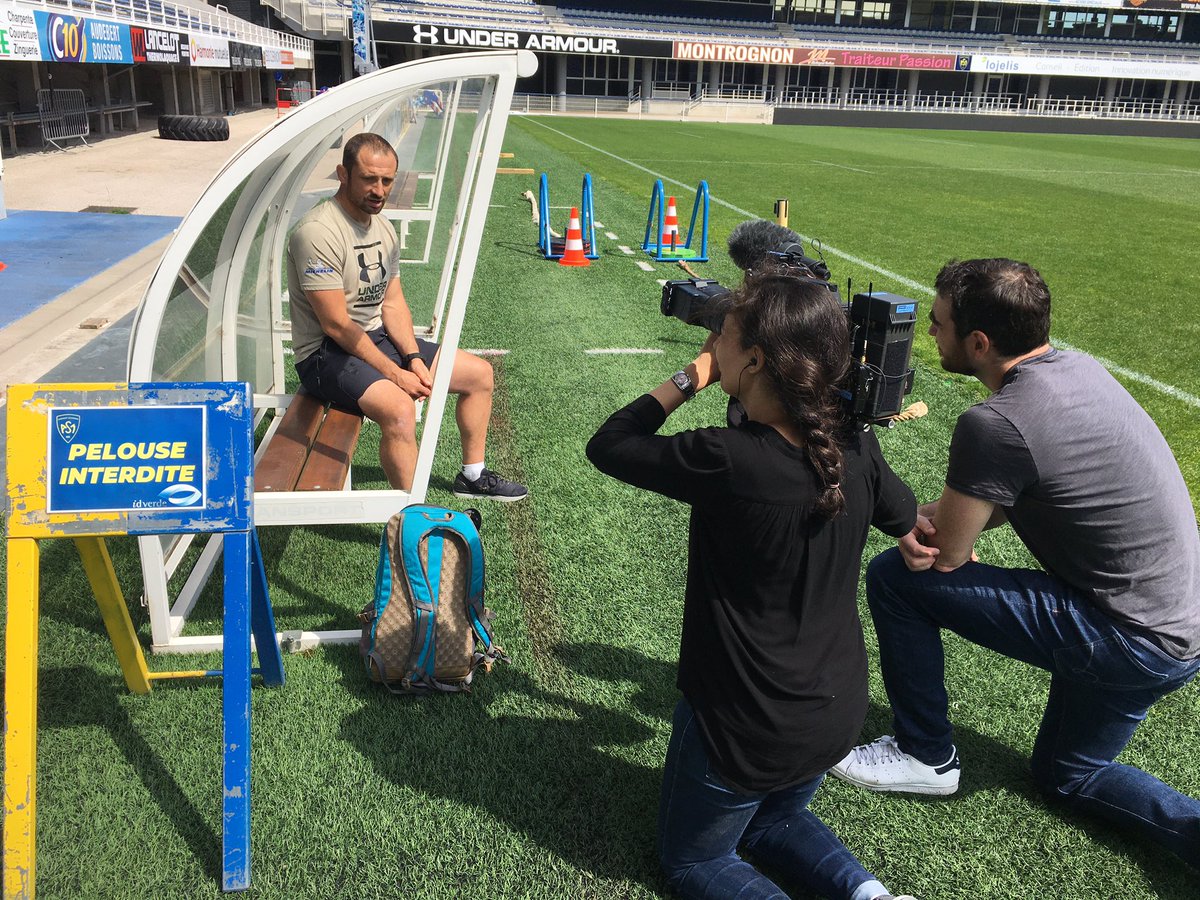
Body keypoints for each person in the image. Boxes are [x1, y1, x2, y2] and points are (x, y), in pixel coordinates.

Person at [833, 258, 1200, 867]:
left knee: (896, 580)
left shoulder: (995, 423)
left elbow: (946, 556)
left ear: (978, 343)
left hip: (1127, 637)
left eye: (939, 323)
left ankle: (925, 756)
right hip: (1178, 632)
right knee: (1065, 776)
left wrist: (915, 529)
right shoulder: (1079, 369)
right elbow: (1009, 496)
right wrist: (933, 522)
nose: (929, 333)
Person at [587, 273, 919, 900]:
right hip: (835, 708)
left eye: (723, 336)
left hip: (745, 721)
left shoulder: (728, 458)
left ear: (756, 358)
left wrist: (691, 377)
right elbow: (904, 518)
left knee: (694, 861)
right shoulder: (852, 445)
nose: (715, 342)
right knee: (778, 818)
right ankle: (870, 896)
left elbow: (609, 445)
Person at [286, 132, 526, 501]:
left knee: (479, 374)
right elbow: (335, 325)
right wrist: (395, 374)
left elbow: (393, 303)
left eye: (386, 180)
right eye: (368, 178)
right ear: (343, 174)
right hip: (323, 353)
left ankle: (473, 476)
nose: (379, 190)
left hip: (373, 337)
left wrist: (413, 358)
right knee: (400, 409)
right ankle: (415, 514)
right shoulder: (317, 232)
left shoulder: (382, 227)